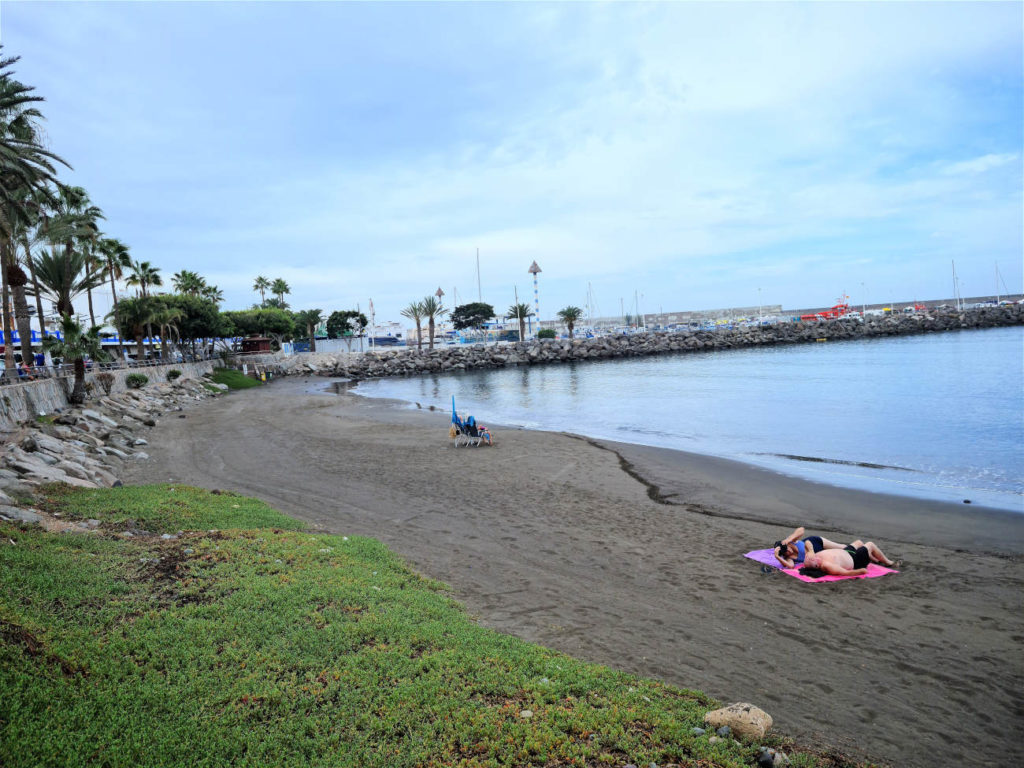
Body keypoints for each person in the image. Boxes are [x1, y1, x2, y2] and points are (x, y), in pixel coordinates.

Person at [774, 526, 896, 568]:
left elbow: (801, 530)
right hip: (819, 554)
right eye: (786, 553)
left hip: (816, 542)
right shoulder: (788, 558)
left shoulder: (791, 542)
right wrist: (777, 556)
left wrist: (789, 539)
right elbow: (789, 566)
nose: (789, 551)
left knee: (843, 547)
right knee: (844, 551)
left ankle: (873, 557)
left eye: (787, 549)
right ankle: (870, 556)